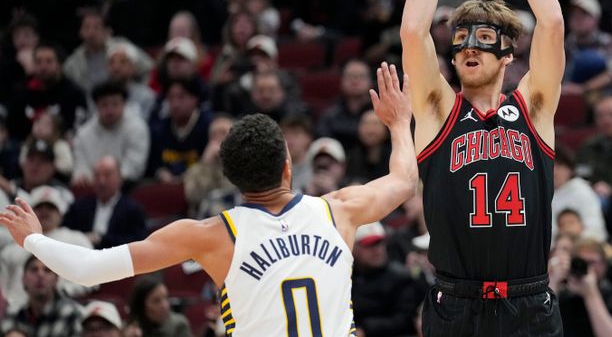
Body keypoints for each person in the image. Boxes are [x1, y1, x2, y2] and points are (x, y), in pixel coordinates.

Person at [0, 62, 418, 337]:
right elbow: (403, 180)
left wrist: (32, 239)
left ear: (233, 179)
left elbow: (88, 269)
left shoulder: (210, 234)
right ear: (288, 165)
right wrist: (399, 124)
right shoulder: (339, 210)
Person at [400, 0, 564, 335]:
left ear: (508, 53)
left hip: (529, 301)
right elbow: (413, 30)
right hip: (455, 303)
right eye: (462, 40)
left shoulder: (532, 105)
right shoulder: (438, 109)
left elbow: (552, 24)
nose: (470, 46)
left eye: (484, 38)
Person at [550, 238, 612, 337]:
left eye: (592, 262)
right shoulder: (563, 296)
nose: (587, 267)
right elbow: (541, 329)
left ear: (604, 264)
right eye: (581, 262)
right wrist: (553, 282)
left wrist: (591, 294)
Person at [71, 81, 150, 185]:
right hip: (93, 187)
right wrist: (84, 176)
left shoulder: (137, 127)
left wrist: (109, 179)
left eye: (115, 104)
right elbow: (81, 166)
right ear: (96, 106)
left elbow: (135, 166)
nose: (110, 110)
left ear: (124, 104)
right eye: (104, 105)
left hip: (127, 186)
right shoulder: (83, 134)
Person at [62, 156, 147, 249]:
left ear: (120, 178)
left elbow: (138, 242)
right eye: (97, 175)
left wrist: (102, 239)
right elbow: (65, 232)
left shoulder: (133, 209)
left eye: (107, 175)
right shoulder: (80, 206)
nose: (102, 181)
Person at [351, 222, 418, 336]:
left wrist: (365, 330)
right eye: (368, 245)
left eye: (379, 243)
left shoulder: (401, 277)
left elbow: (406, 320)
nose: (377, 250)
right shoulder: (349, 278)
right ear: (354, 248)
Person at [0, 256, 83, 336]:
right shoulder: (13, 313)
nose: (40, 275)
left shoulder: (70, 314)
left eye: (47, 270)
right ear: (23, 279)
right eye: (34, 270)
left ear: (56, 279)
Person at [552, 148, 607, 242]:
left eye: (559, 166)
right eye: (551, 166)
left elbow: (596, 230)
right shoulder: (542, 193)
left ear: (570, 169)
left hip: (582, 247)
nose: (554, 172)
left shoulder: (582, 191)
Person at [126, 275, 191, 337]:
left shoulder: (179, 325)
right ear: (142, 306)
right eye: (156, 301)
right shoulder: (130, 329)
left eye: (166, 298)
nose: (165, 305)